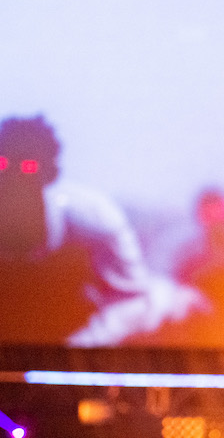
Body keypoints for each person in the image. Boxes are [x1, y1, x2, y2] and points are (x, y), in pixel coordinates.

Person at [0, 115, 202, 346]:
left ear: (50, 174)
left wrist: (72, 352)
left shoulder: (93, 220)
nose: (12, 178)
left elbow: (134, 300)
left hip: (98, 326)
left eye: (28, 167)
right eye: (2, 163)